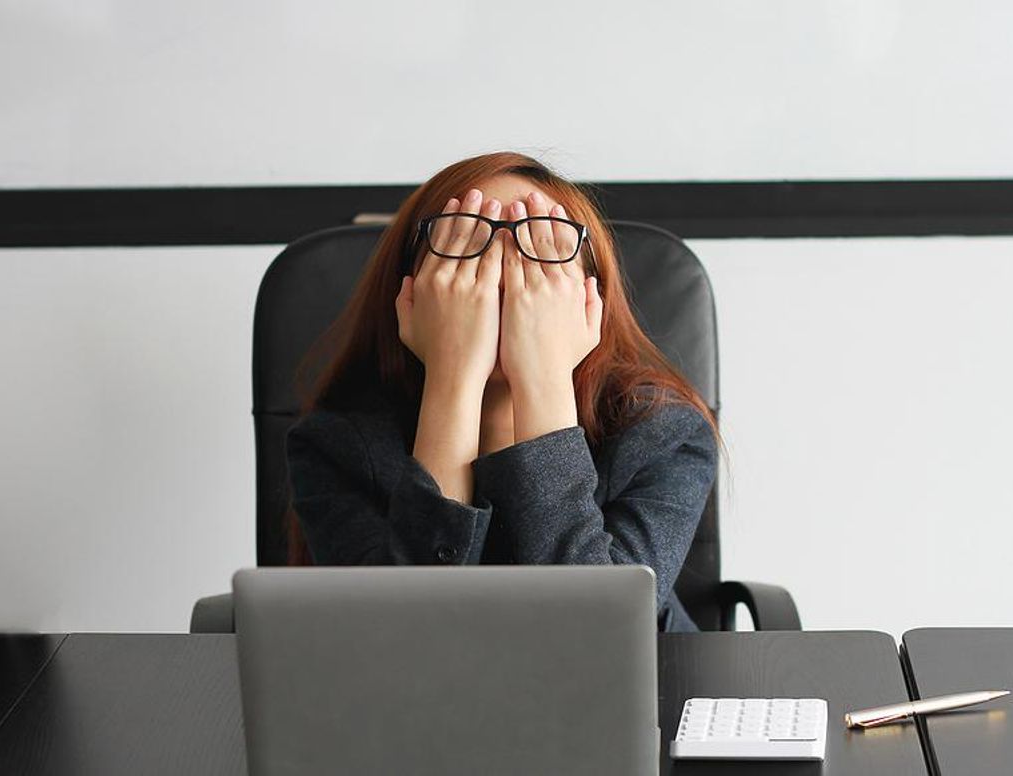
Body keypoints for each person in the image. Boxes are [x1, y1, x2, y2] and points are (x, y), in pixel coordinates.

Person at [285, 151, 722, 632]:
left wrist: (544, 378)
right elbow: (400, 640)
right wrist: (452, 377)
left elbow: (600, 633)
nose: (503, 279)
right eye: (464, 244)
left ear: (590, 300)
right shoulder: (335, 445)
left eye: (544, 248)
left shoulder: (663, 432)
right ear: (410, 295)